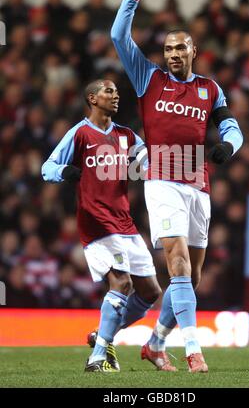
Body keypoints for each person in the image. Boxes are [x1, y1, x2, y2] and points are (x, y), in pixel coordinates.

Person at [111, 0, 243, 373]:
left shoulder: (210, 88)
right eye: (167, 49)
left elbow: (231, 126)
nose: (171, 55)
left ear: (192, 51)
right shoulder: (147, 78)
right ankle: (193, 350)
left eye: (178, 48)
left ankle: (154, 344)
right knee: (179, 264)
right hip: (161, 178)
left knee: (193, 276)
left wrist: (230, 147)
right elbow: (118, 35)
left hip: (198, 182)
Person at [41, 79, 161, 372]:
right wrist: (65, 171)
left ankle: (102, 338)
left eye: (117, 92)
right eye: (109, 91)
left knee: (150, 292)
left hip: (125, 222)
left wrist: (153, 165)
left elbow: (146, 162)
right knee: (122, 282)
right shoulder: (80, 133)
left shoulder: (126, 135)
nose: (115, 95)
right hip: (95, 220)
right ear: (92, 98)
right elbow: (47, 168)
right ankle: (97, 358)